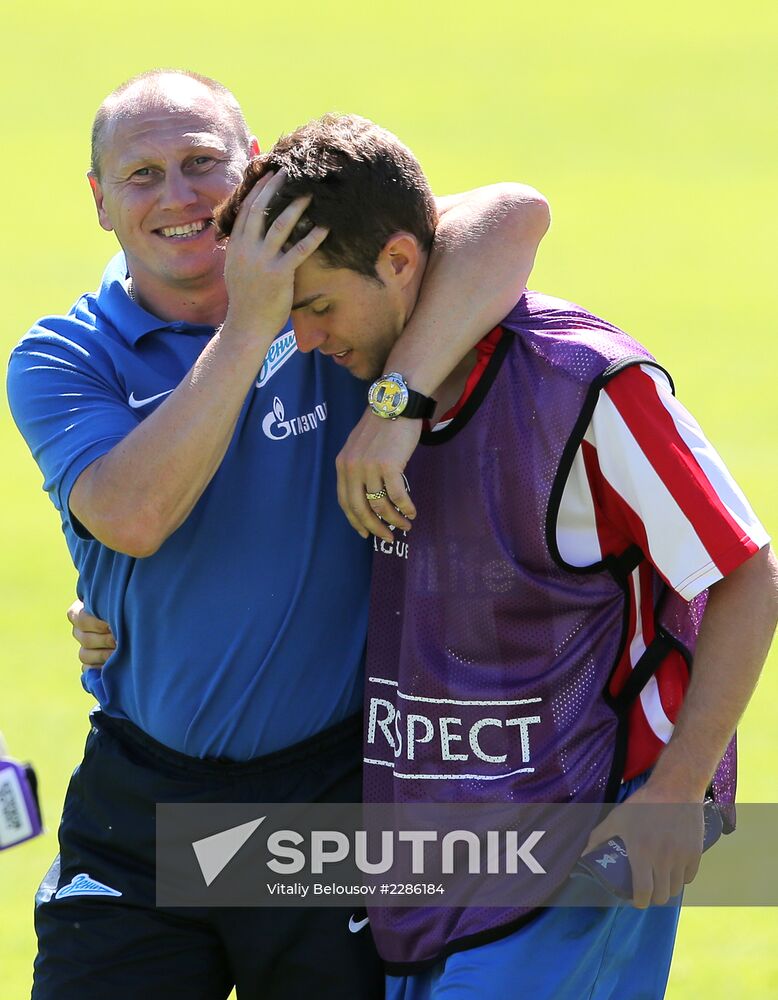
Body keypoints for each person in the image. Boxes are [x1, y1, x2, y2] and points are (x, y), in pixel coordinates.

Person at [203, 113, 775, 998]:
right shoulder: (358, 378)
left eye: (316, 307)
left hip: (571, 865)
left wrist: (677, 790)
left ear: (398, 263)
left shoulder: (583, 387)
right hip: (415, 882)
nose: (304, 342)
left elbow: (745, 573)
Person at [6, 72, 550, 999]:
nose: (178, 196)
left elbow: (515, 215)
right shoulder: (61, 355)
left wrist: (397, 399)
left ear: (253, 171)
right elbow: (134, 517)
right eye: (141, 174)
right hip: (141, 801)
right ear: (98, 201)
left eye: (203, 163)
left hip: (322, 799)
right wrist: (252, 318)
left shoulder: (333, 307)